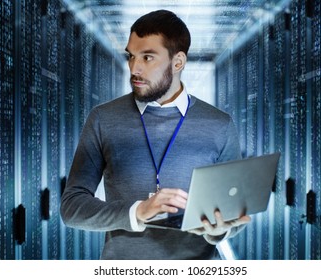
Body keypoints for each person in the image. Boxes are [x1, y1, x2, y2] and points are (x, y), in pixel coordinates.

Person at [60, 9, 251, 260]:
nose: (135, 68)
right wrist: (137, 211)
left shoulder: (220, 124)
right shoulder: (103, 118)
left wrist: (219, 230)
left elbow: (233, 212)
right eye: (131, 56)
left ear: (178, 62)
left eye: (148, 57)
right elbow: (72, 207)